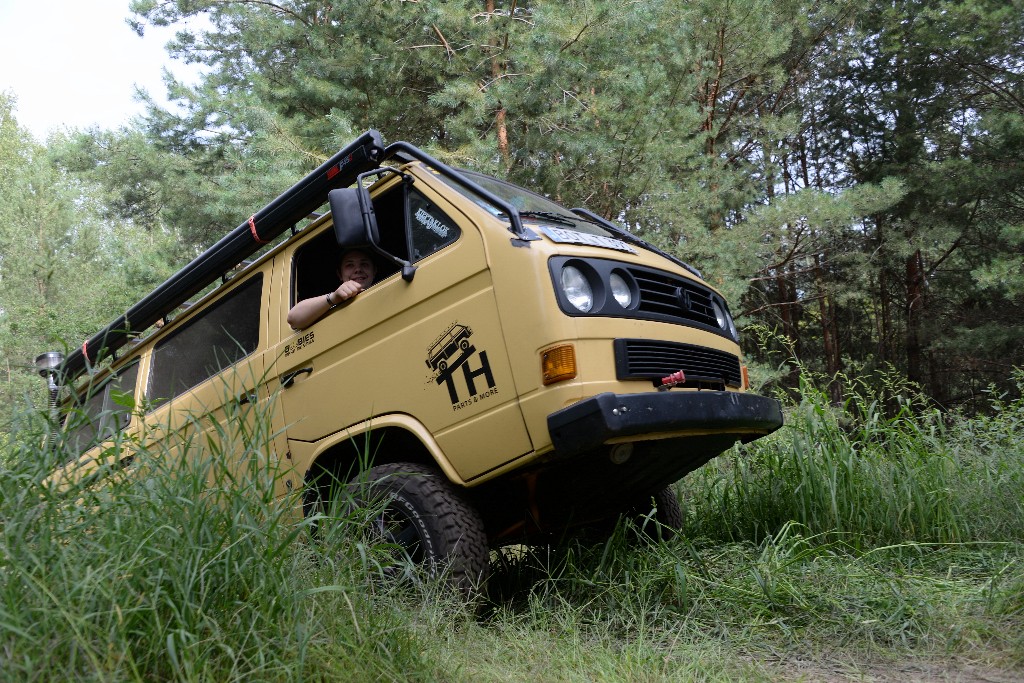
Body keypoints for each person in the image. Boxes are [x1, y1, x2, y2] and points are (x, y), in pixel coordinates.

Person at [287, 247, 377, 329]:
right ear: (339, 274)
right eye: (350, 265)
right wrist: (334, 297)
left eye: (364, 264)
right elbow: (293, 319)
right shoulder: (330, 304)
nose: (358, 269)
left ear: (374, 271)